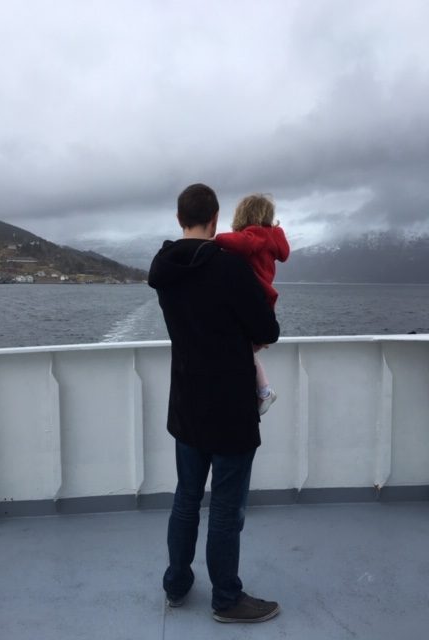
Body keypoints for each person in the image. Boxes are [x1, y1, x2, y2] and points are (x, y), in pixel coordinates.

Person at [148, 184, 281, 623]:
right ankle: (226, 598)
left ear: (179, 218)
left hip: (187, 404)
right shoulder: (230, 269)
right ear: (216, 218)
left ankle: (177, 584)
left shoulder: (163, 268)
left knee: (186, 498)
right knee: (225, 508)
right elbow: (267, 328)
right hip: (230, 410)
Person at [215, 194, 290, 415]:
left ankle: (265, 390)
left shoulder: (256, 236)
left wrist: (215, 240)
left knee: (245, 349)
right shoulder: (272, 239)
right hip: (265, 298)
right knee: (248, 350)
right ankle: (263, 390)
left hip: (256, 295)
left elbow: (241, 242)